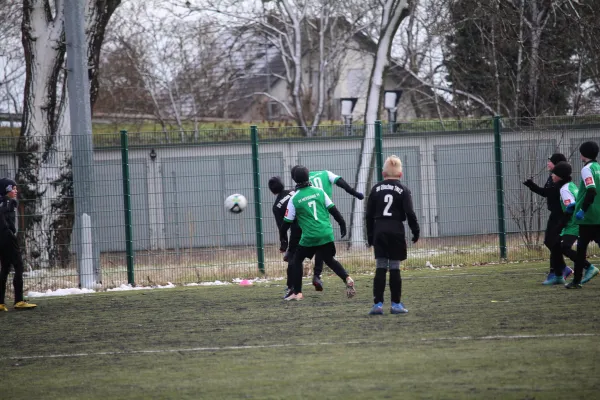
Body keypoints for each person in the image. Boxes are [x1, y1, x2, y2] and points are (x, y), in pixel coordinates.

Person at [279, 165, 355, 301]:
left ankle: (298, 293)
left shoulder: (294, 199)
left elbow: (286, 223)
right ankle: (347, 278)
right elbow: (333, 209)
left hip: (309, 237)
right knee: (329, 260)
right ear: (308, 177)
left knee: (296, 260)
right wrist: (342, 224)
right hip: (326, 233)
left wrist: (283, 239)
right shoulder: (319, 191)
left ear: (294, 179)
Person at [365, 156, 419, 315]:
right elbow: (410, 213)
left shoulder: (375, 189)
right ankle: (396, 304)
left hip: (379, 229)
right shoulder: (404, 190)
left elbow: (368, 215)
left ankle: (378, 304)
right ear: (400, 175)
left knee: (380, 266)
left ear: (383, 174)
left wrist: (370, 236)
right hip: (396, 229)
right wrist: (415, 231)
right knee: (395, 267)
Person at [304, 168, 364, 291]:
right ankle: (316, 275)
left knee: (314, 250)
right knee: (325, 253)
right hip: (322, 219)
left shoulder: (304, 178)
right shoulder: (326, 174)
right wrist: (355, 193)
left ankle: (302, 282)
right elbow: (341, 182)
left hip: (308, 222)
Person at [523, 153, 574, 283]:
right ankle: (561, 268)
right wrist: (531, 185)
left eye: (550, 161)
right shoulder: (553, 178)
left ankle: (557, 271)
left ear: (556, 164)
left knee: (553, 242)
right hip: (555, 214)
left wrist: (532, 186)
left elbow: (549, 193)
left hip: (560, 215)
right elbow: (547, 193)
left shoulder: (560, 182)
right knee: (550, 242)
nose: (547, 163)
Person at [544, 161, 596, 285]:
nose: (551, 176)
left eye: (554, 174)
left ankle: (588, 267)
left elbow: (571, 207)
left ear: (559, 176)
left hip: (573, 224)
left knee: (564, 247)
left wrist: (561, 224)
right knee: (555, 244)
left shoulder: (564, 189)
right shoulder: (570, 185)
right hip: (575, 222)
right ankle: (558, 274)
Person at [565, 141, 600, 289]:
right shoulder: (598, 168)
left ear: (583, 154)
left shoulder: (587, 169)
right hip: (598, 215)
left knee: (581, 250)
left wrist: (582, 210)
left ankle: (576, 281)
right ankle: (577, 280)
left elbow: (591, 190)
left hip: (588, 217)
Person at [0, 178, 36, 311]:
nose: (16, 191)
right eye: (13, 188)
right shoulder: (8, 202)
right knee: (19, 266)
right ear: (6, 189)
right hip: (8, 238)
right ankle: (18, 300)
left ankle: (1, 302)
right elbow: (3, 216)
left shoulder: (3, 201)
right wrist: (9, 233)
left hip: (2, 239)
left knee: (4, 268)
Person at [268, 176, 302, 298]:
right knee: (325, 255)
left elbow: (282, 227)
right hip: (312, 225)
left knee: (293, 258)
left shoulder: (277, 206)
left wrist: (284, 244)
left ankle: (292, 288)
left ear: (271, 191)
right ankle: (317, 276)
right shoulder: (294, 191)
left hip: (297, 230)